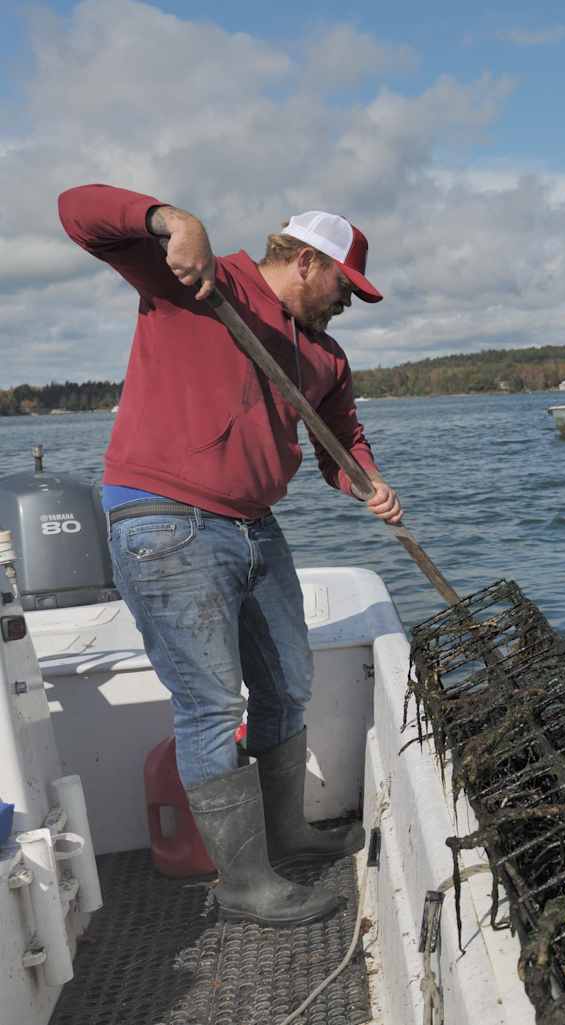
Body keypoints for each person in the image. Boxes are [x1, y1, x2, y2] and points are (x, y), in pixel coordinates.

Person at [58, 185, 402, 927]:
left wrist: (368, 481)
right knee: (212, 703)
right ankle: (245, 882)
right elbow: (75, 211)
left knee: (289, 681)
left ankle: (287, 835)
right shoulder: (198, 276)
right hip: (165, 521)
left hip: (253, 525)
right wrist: (170, 221)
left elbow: (339, 443)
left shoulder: (326, 357)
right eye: (347, 285)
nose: (349, 302)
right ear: (307, 263)